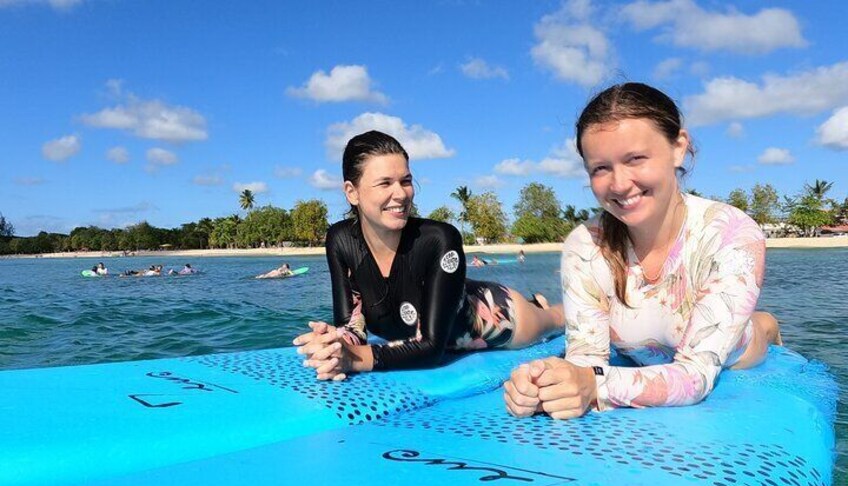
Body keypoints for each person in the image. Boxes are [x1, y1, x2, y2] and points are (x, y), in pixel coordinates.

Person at [504, 82, 782, 421]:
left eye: (635, 159)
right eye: (600, 168)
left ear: (678, 148)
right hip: (644, 356)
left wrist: (594, 386)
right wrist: (544, 384)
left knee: (753, 334)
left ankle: (766, 324)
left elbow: (695, 377)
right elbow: (586, 359)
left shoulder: (732, 234)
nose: (619, 184)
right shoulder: (585, 244)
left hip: (736, 352)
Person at [293, 130, 564, 381]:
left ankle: (542, 307)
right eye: (385, 183)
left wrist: (353, 359)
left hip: (500, 318)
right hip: (435, 321)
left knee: (557, 321)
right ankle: (537, 300)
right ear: (352, 192)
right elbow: (353, 326)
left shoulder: (439, 239)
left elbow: (432, 348)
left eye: (406, 181)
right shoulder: (340, 241)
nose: (400, 194)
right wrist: (335, 343)